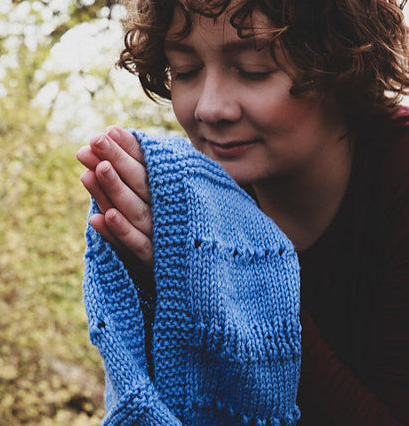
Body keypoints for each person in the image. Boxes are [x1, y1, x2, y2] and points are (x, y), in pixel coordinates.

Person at [77, 0, 409, 424]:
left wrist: (237, 283)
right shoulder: (187, 201)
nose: (210, 108)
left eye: (254, 70)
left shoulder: (398, 177)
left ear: (341, 65)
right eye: (185, 70)